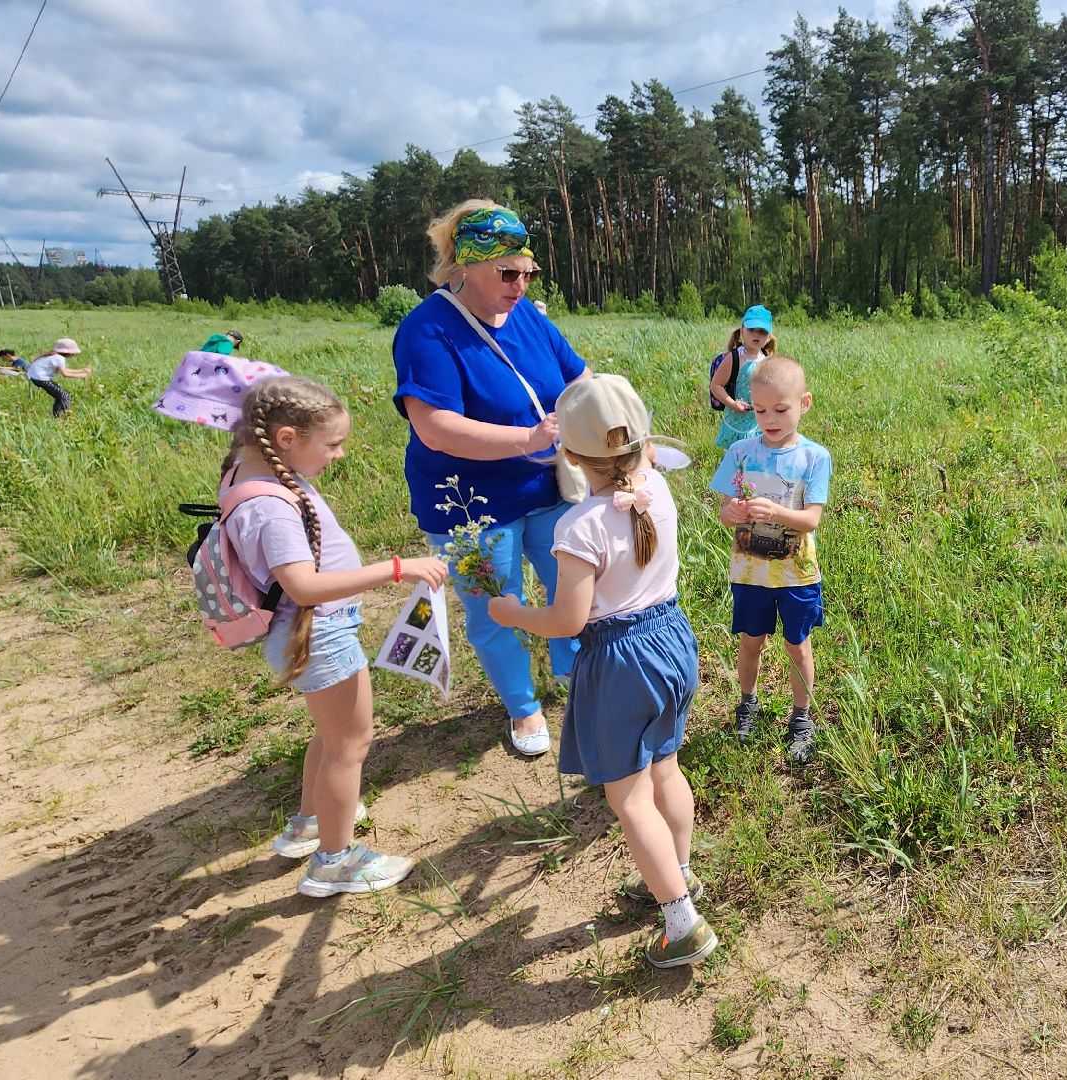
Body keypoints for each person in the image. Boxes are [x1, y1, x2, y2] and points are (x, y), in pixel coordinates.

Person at [489, 374, 716, 969]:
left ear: (568, 454)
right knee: (664, 764)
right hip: (672, 640)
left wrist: (513, 612)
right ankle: (678, 874)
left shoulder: (579, 526)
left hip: (619, 660)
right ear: (643, 444)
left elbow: (568, 621)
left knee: (628, 794)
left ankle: (682, 921)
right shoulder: (659, 490)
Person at [216, 375, 449, 895]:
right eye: (333, 444)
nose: (339, 455)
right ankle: (334, 862)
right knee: (351, 745)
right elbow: (304, 585)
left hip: (309, 633)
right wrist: (395, 568)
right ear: (285, 439)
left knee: (331, 735)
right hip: (319, 633)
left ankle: (310, 822)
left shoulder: (246, 470)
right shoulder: (272, 506)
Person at [392, 200, 590, 757]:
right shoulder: (426, 330)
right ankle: (523, 708)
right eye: (507, 272)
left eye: (527, 271)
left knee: (570, 588)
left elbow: (578, 376)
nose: (520, 284)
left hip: (547, 488)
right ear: (464, 266)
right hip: (469, 505)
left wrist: (598, 418)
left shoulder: (527, 315)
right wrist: (529, 439)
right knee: (493, 607)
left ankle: (576, 680)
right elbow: (435, 427)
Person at [708, 357, 831, 763]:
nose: (770, 419)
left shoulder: (814, 457)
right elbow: (726, 511)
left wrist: (775, 513)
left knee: (798, 646)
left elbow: (811, 519)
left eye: (781, 409)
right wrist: (734, 513)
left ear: (804, 403)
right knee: (750, 642)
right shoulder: (741, 451)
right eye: (760, 410)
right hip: (750, 571)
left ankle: (801, 717)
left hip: (796, 575)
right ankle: (748, 703)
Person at [710, 306, 776, 449]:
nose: (756, 335)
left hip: (758, 424)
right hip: (736, 424)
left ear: (769, 336)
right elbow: (716, 385)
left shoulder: (767, 360)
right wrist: (733, 404)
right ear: (742, 330)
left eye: (762, 331)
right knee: (737, 463)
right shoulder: (734, 358)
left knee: (756, 464)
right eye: (751, 329)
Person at [26, 339, 91, 418]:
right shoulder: (59, 359)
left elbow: (62, 371)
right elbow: (65, 374)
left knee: (60, 397)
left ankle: (57, 416)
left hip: (36, 377)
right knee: (65, 397)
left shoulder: (55, 357)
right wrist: (82, 375)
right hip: (40, 379)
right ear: (69, 352)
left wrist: (82, 370)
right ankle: (62, 417)